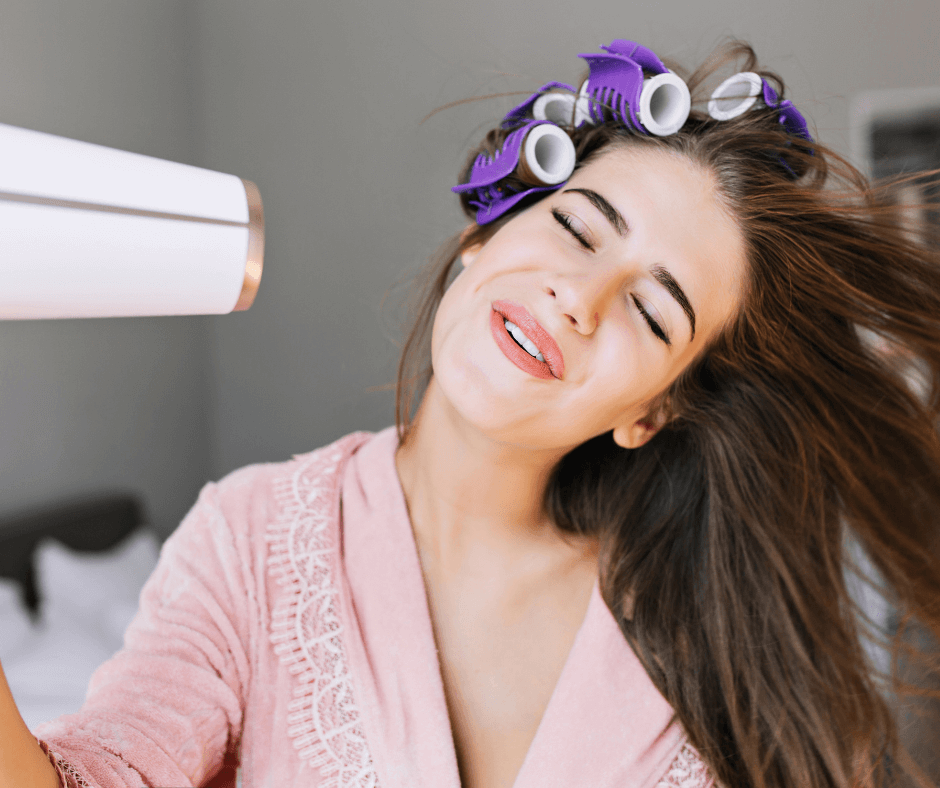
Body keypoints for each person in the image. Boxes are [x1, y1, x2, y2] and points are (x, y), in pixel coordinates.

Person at [2, 37, 939, 788]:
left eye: (652, 313)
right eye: (576, 227)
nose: (580, 295)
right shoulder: (249, 542)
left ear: (650, 413)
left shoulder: (717, 648)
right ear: (481, 238)